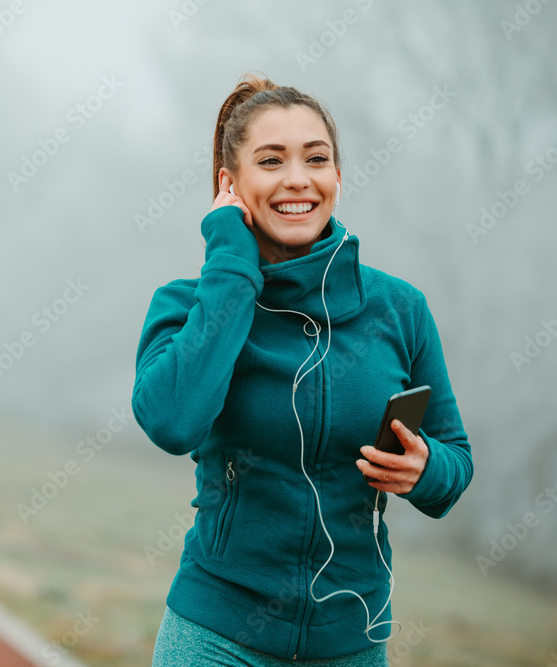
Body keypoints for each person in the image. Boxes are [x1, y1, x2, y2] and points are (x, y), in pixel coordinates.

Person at [130, 72, 473, 665]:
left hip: (350, 643)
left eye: (316, 158)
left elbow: (456, 463)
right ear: (228, 185)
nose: (297, 179)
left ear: (337, 176)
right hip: (215, 637)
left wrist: (425, 468)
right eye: (270, 160)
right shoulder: (187, 305)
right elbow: (172, 423)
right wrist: (231, 261)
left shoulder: (399, 308)